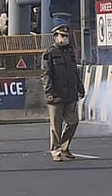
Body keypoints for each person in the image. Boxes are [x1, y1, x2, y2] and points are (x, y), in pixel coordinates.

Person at [41, 24, 84, 162]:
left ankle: (64, 147)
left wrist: (80, 88)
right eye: (62, 36)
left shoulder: (70, 51)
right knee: (56, 125)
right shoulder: (50, 53)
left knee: (73, 122)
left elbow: (74, 72)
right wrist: (49, 92)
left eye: (66, 36)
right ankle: (56, 150)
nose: (65, 38)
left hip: (70, 94)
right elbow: (46, 75)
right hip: (56, 95)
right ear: (55, 36)